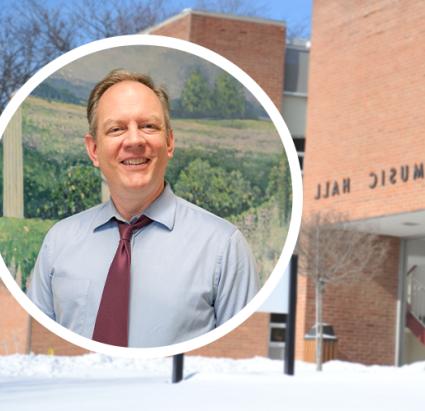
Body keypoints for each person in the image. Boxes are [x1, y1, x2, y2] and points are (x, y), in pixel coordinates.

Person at [27, 69, 260, 348]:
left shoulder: (224, 247)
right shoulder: (58, 242)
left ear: (170, 142)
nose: (135, 140)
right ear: (94, 150)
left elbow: (239, 356)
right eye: (116, 129)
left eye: (149, 126)